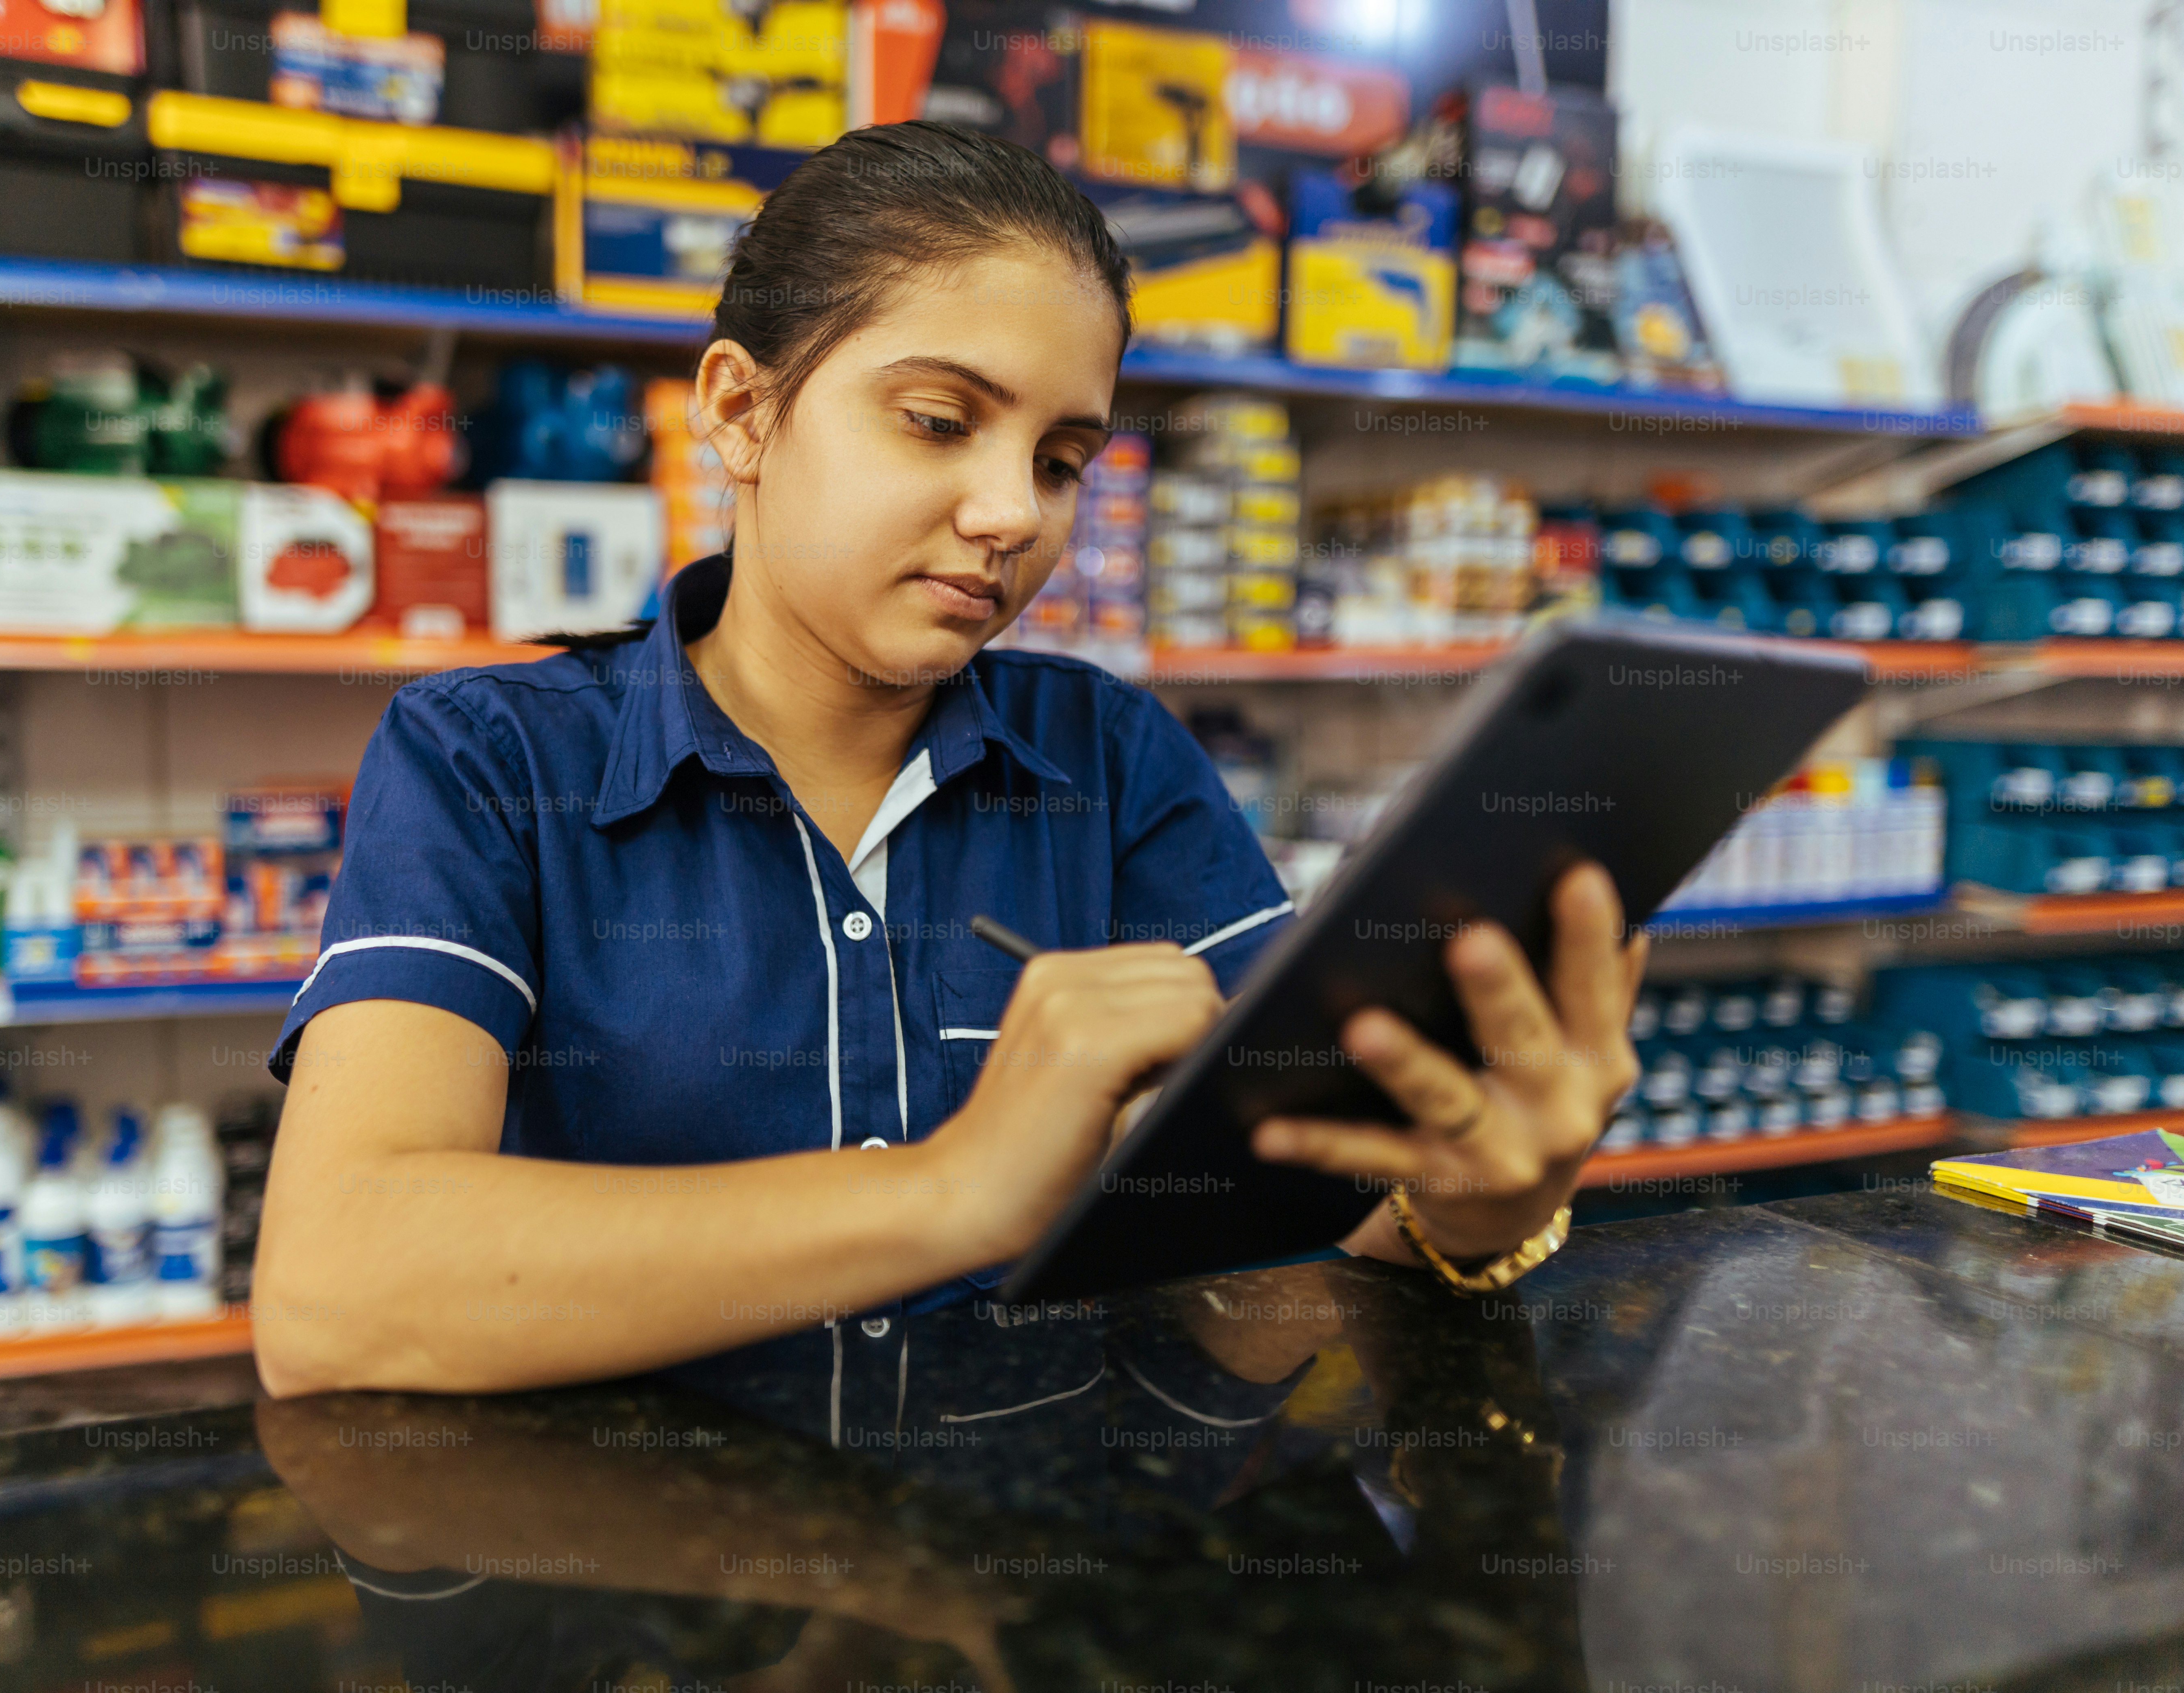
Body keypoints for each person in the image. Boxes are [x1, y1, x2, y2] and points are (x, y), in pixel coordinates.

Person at [250, 119, 1646, 1401]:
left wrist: (1478, 1201)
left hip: (1027, 1581)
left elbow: (1301, 1178)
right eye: (937, 420)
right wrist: (953, 1191)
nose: (1009, 514)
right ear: (739, 412)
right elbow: (337, 1293)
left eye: (1060, 460)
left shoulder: (1109, 757)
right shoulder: (487, 760)